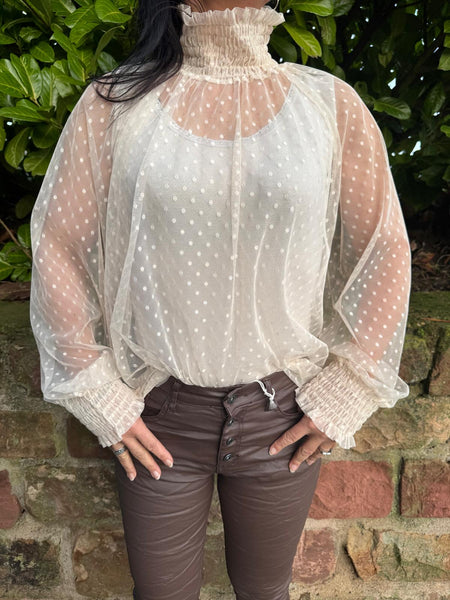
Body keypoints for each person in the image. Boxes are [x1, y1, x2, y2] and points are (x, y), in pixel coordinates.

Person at [29, 0, 412, 598]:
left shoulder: (327, 105)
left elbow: (384, 245)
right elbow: (58, 241)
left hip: (282, 413)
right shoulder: (117, 104)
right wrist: (96, 389)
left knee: (266, 591)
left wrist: (350, 388)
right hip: (159, 414)